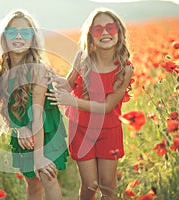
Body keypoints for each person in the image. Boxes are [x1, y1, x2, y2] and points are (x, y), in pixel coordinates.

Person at [46, 7, 134, 200]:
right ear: (91, 36)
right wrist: (55, 79)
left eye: (110, 28)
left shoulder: (125, 69)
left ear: (119, 32)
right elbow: (68, 85)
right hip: (82, 129)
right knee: (89, 185)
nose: (104, 33)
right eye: (98, 29)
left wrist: (74, 102)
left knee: (108, 187)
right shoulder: (82, 59)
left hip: (108, 130)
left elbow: (107, 106)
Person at [0, 9, 69, 200]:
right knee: (32, 184)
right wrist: (17, 129)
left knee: (46, 176)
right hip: (22, 130)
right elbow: (3, 108)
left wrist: (39, 155)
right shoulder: (0, 68)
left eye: (25, 32)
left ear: (33, 38)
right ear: (4, 37)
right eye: (12, 32)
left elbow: (37, 111)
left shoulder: (38, 68)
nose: (19, 37)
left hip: (45, 130)